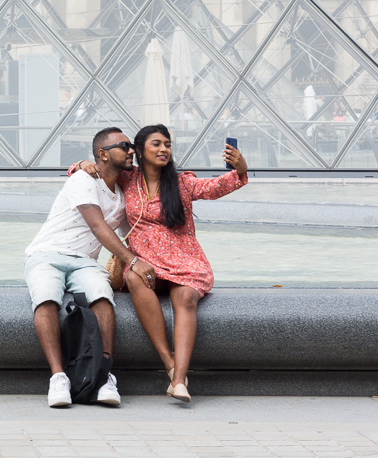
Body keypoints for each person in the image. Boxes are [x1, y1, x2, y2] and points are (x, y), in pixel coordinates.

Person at [80, 124, 249, 403]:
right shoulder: (127, 178)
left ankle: (179, 380)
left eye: (167, 145)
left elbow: (216, 186)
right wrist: (84, 164)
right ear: (140, 150)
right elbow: (89, 174)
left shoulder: (182, 182)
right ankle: (169, 363)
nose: (163, 149)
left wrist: (240, 170)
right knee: (134, 276)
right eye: (156, 144)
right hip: (146, 262)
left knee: (186, 299)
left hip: (184, 261)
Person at [27, 128, 138, 408]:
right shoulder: (83, 178)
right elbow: (99, 226)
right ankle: (58, 377)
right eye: (124, 146)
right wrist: (133, 261)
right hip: (48, 253)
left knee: (102, 295)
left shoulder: (123, 196)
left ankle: (103, 375)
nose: (131, 150)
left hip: (85, 262)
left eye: (132, 146)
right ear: (102, 154)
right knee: (46, 296)